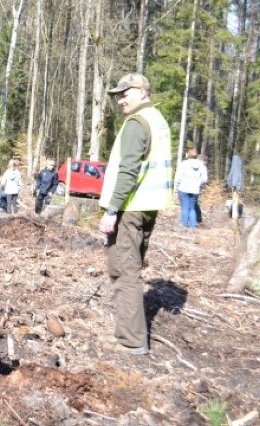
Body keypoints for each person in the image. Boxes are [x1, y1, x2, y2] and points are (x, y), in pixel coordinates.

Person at [98, 73, 172, 356]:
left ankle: (131, 340)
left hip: (129, 208)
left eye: (124, 93)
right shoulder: (158, 120)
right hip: (148, 207)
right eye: (118, 94)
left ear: (142, 91)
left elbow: (128, 170)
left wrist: (112, 210)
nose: (120, 100)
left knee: (124, 271)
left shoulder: (136, 123)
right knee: (133, 267)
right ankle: (131, 333)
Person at [174, 148, 207, 228]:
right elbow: (204, 179)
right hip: (195, 189)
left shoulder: (183, 164)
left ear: (187, 155)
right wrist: (198, 183)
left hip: (183, 188)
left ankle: (184, 225)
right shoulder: (201, 165)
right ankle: (193, 226)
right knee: (192, 208)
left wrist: (176, 187)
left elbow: (178, 177)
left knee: (185, 207)